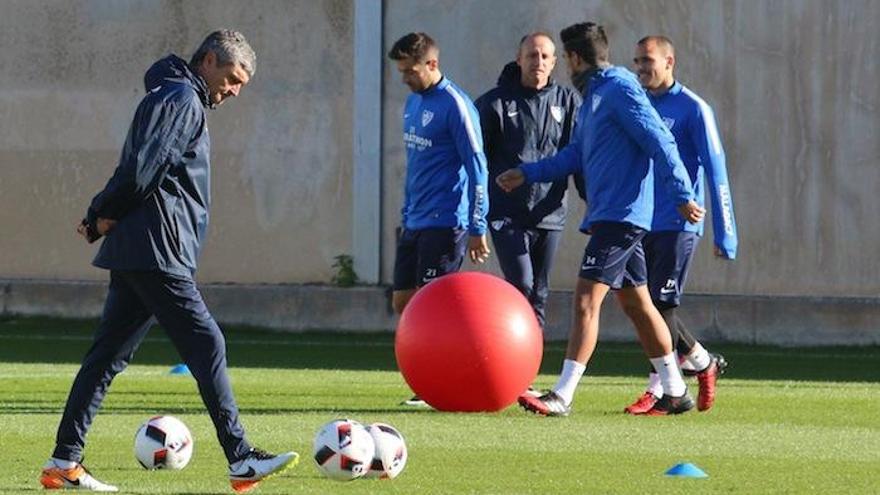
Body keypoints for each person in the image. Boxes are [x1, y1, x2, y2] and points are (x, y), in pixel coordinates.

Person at [39, 31, 297, 493]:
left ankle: (64, 461)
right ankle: (240, 458)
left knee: (105, 359)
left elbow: (138, 166)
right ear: (210, 60)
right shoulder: (183, 99)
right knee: (208, 344)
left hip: (143, 250)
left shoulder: (173, 94)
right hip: (158, 251)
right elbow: (143, 168)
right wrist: (101, 215)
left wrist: (98, 213)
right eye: (233, 79)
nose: (235, 91)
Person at [496, 22, 705, 417]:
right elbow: (575, 154)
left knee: (585, 301)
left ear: (574, 58)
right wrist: (528, 172)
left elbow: (661, 139)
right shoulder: (594, 97)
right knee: (639, 304)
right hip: (608, 214)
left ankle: (562, 394)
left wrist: (681, 194)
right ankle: (675, 391)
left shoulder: (620, 89)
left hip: (622, 216)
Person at [623, 35, 738, 414]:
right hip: (641, 220)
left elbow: (716, 170)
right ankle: (703, 362)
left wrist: (726, 234)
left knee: (660, 306)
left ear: (669, 61)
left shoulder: (693, 108)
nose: (641, 68)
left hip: (678, 222)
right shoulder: (637, 105)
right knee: (649, 306)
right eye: (637, 61)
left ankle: (659, 390)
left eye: (648, 61)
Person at [387, 32, 490, 406]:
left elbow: (478, 168)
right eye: (400, 72)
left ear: (432, 64)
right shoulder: (413, 104)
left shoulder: (456, 105)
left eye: (410, 71)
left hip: (446, 221)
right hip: (414, 220)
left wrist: (479, 227)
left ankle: (436, 384)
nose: (405, 79)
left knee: (435, 310)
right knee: (403, 303)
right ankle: (429, 377)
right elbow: (416, 168)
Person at [475, 32, 582, 330]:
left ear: (554, 62)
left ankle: (528, 365)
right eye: (532, 55)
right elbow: (475, 161)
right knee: (521, 284)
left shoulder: (569, 101)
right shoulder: (494, 103)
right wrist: (476, 212)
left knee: (540, 292)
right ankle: (511, 356)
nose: (538, 61)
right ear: (519, 59)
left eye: (545, 56)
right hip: (506, 212)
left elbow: (579, 157)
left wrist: (592, 202)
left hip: (550, 213)